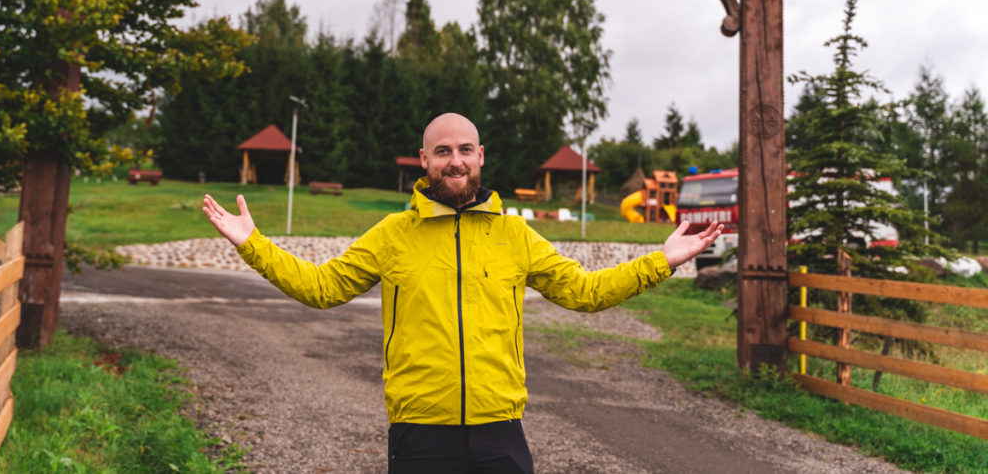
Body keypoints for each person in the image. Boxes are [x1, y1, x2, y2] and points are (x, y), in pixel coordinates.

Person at [202, 112, 721, 473]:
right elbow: (321, 288)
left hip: (501, 431)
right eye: (443, 151)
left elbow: (585, 291)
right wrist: (253, 244)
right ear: (424, 159)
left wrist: (661, 262)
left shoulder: (516, 235)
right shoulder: (392, 234)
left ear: (481, 157)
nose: (455, 161)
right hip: (421, 431)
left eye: (465, 150)